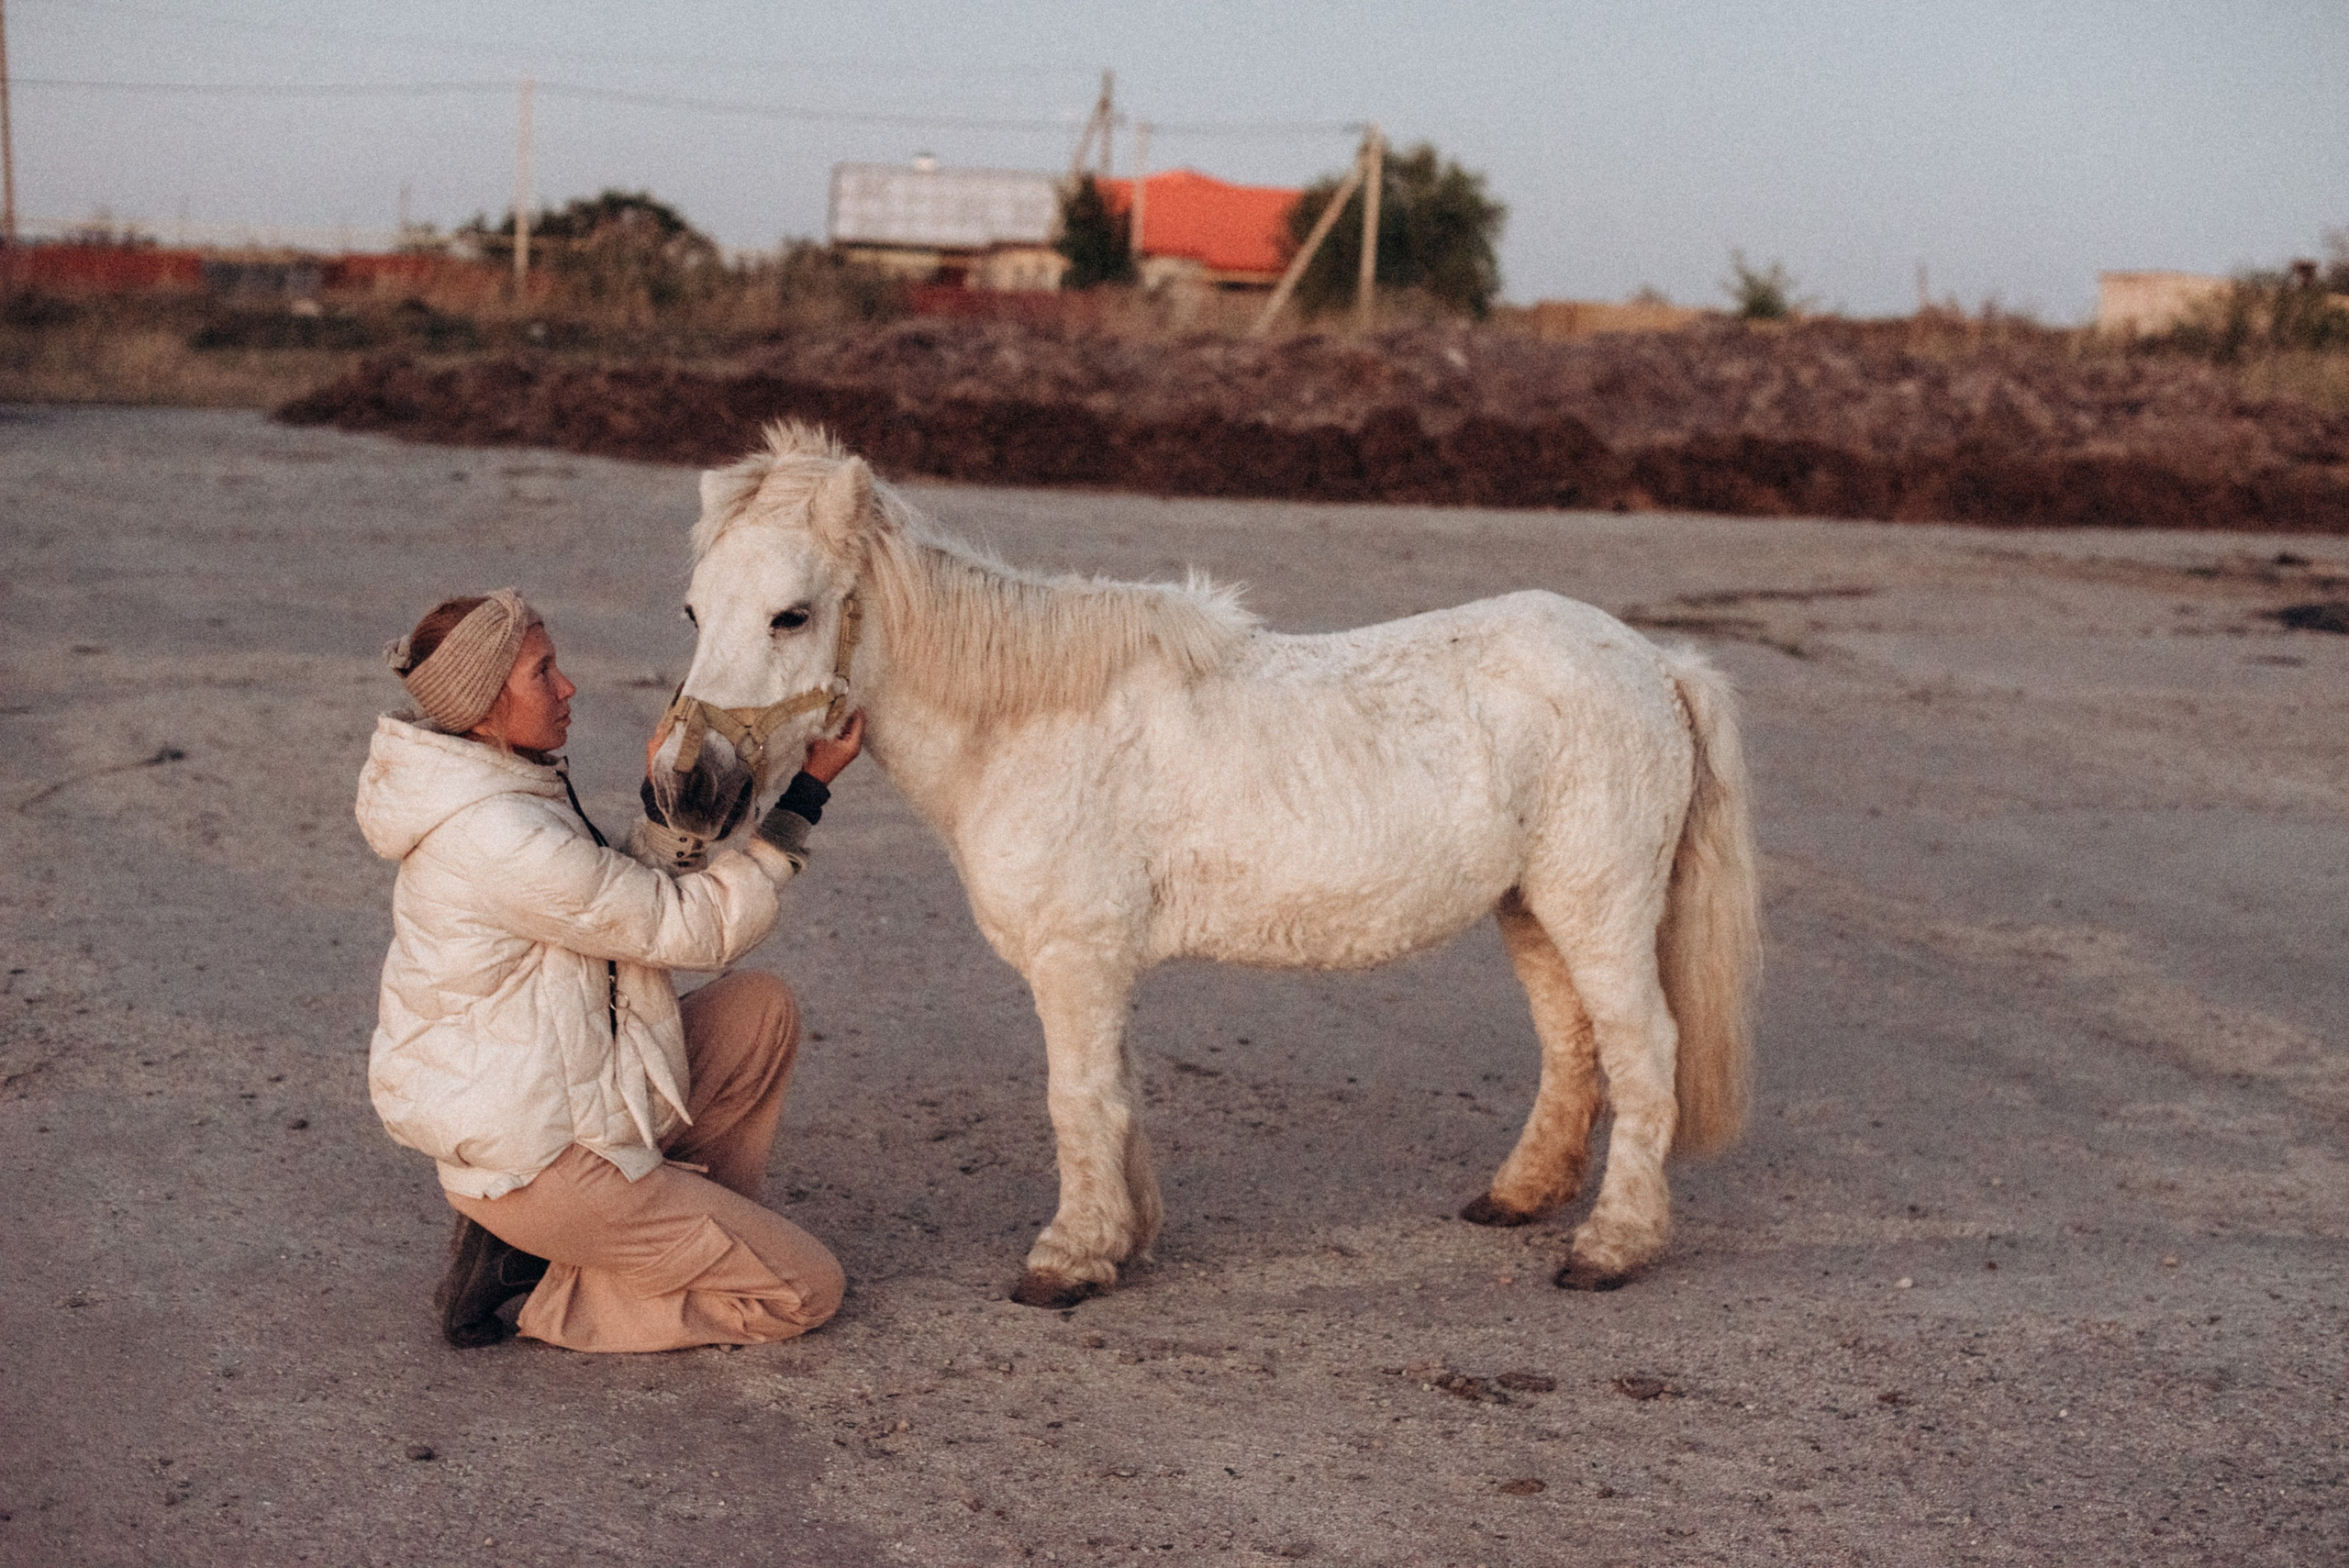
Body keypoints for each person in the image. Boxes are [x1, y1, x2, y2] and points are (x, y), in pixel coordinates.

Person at [355, 587, 863, 1351]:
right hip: (541, 1164)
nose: (568, 687)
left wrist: (667, 807)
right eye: (542, 672)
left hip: (559, 1112)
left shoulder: (498, 783)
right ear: (485, 706)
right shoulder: (497, 832)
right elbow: (686, 926)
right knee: (805, 1289)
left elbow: (606, 899)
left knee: (760, 1012)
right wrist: (804, 798)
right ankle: (541, 1288)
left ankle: (652, 1228)